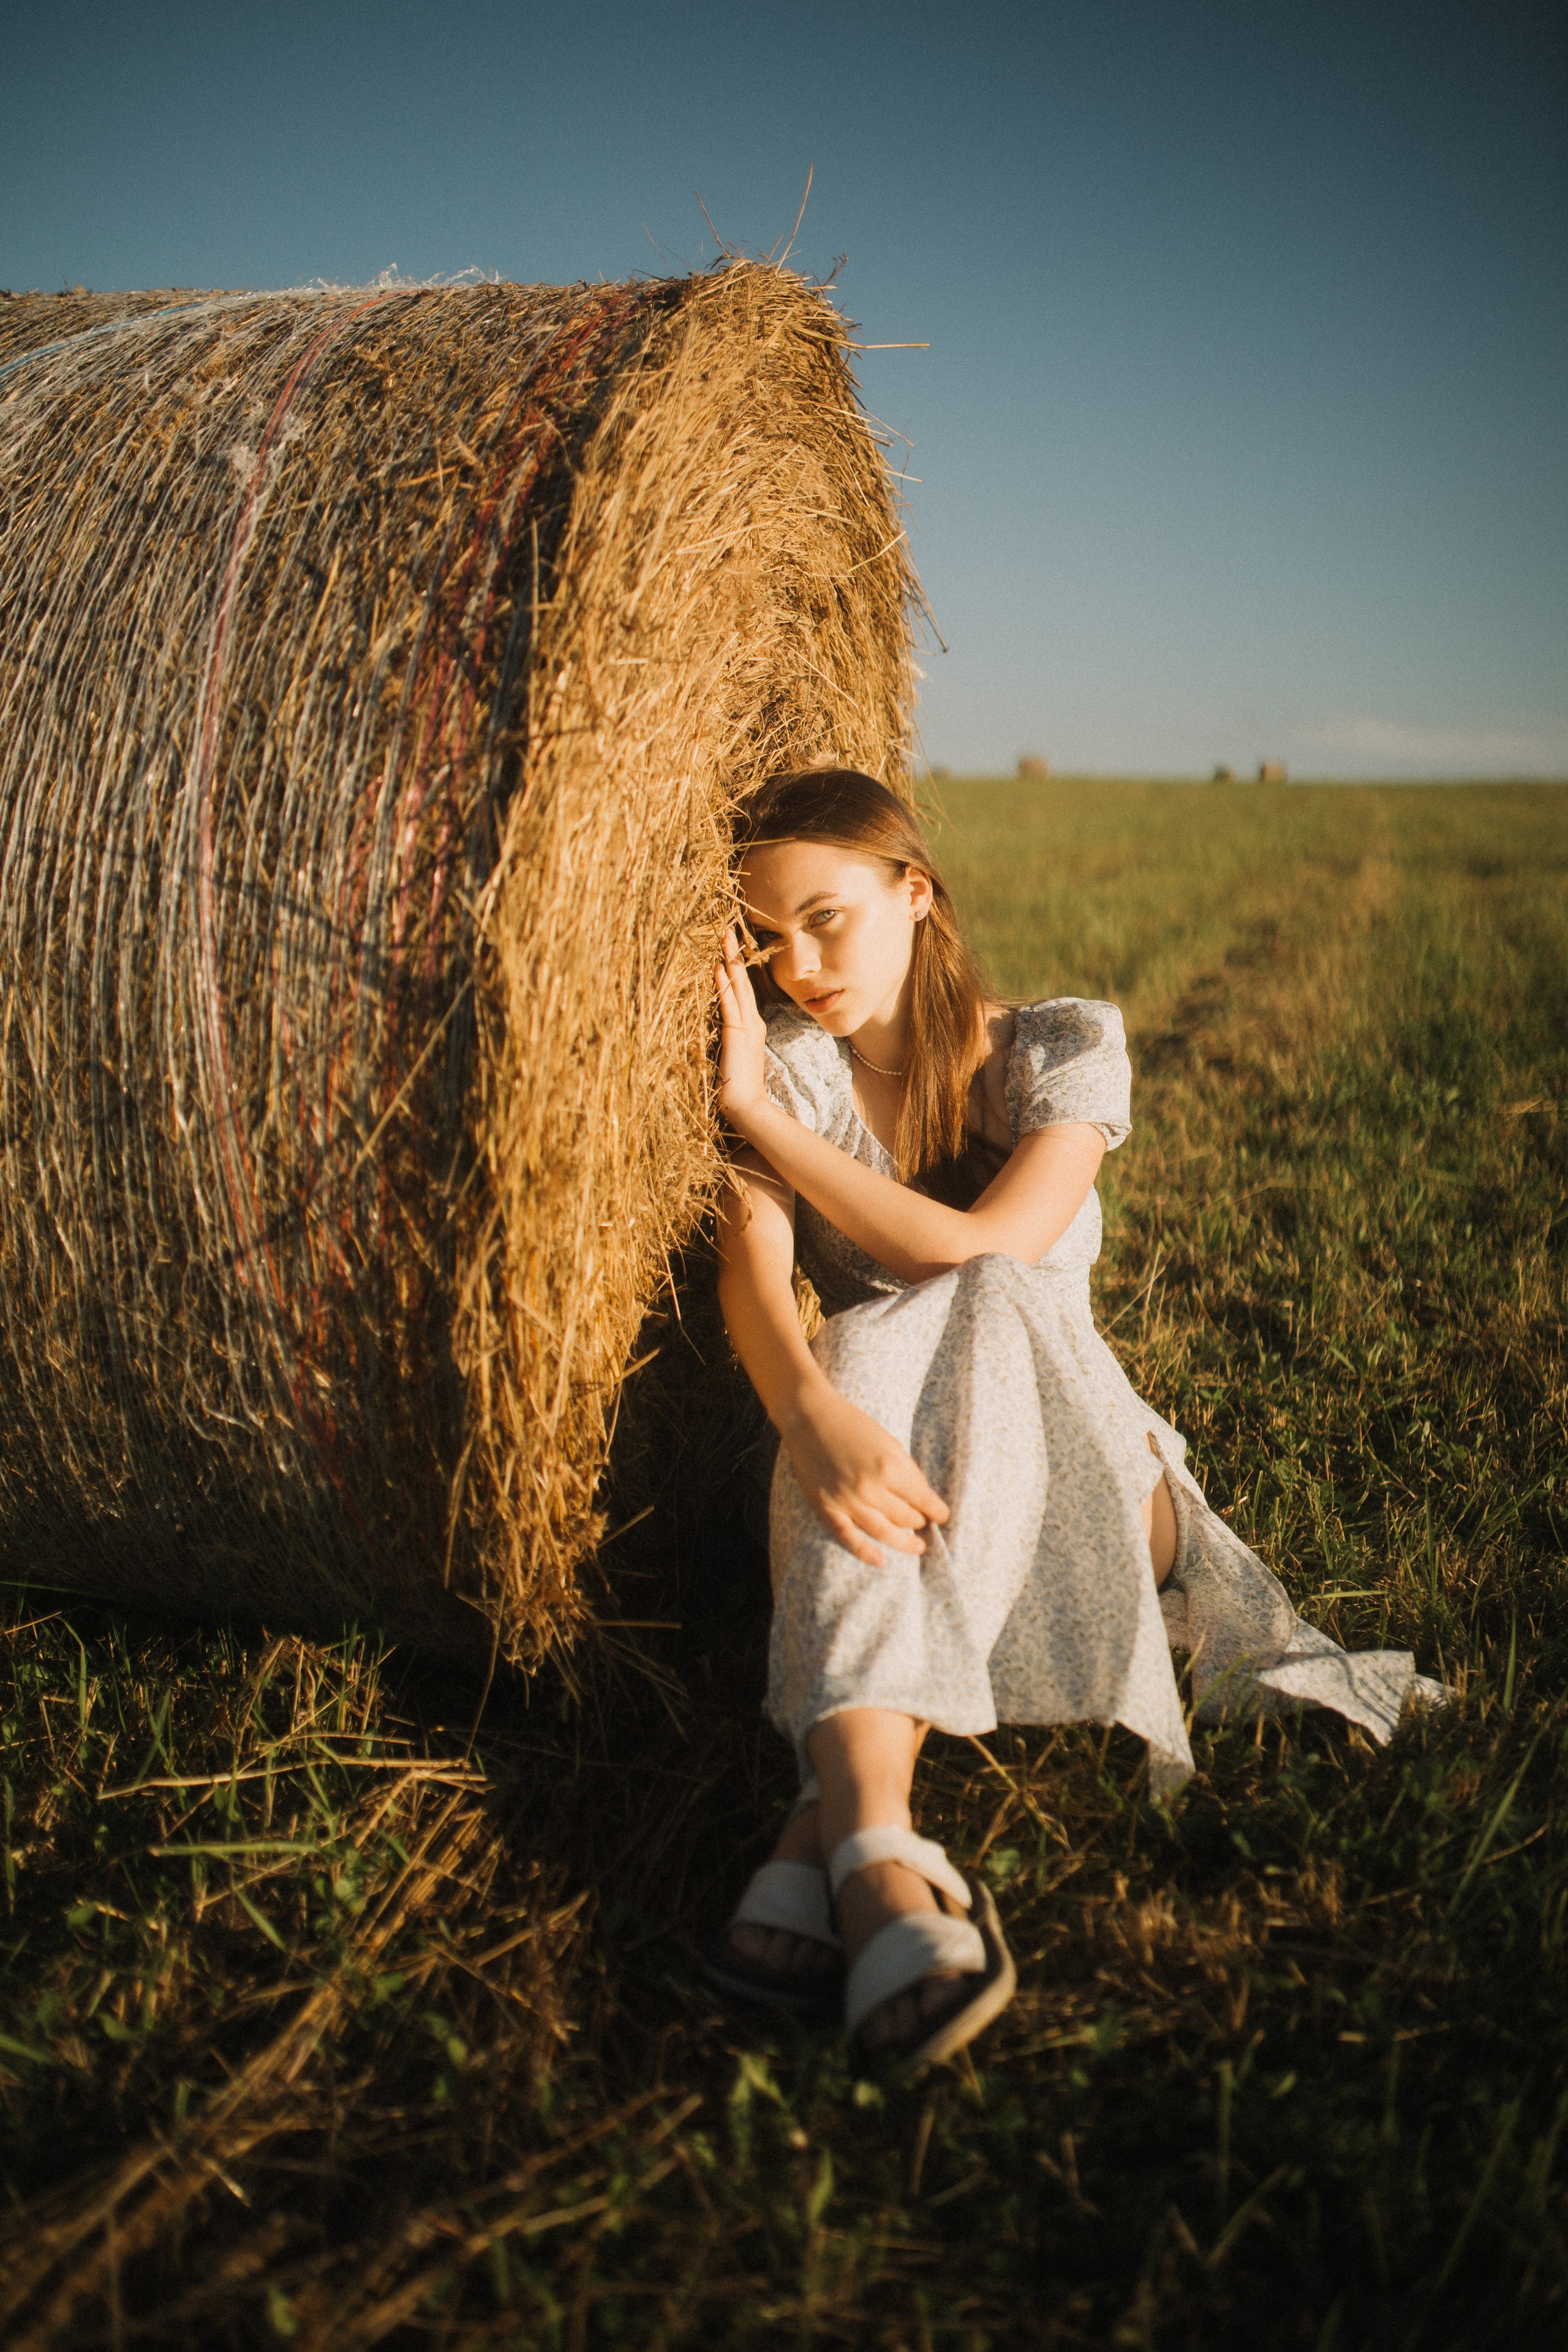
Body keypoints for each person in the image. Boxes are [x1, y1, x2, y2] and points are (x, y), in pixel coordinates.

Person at [704, 769, 1440, 2075]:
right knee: (853, 1357)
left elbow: (979, 1245)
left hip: (1098, 1486)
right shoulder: (796, 1067)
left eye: (825, 919)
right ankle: (873, 1855)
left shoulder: (1054, 1048)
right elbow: (750, 1280)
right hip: (902, 1477)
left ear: (914, 892)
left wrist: (754, 1116)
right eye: (767, 940)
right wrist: (807, 1416)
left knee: (964, 1298)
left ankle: (821, 1829)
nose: (797, 968)